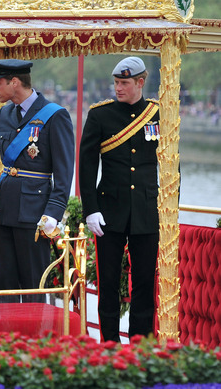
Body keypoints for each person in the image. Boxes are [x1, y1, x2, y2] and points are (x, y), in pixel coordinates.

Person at [79, 56, 159, 342]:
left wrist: (169, 206)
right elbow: (87, 165)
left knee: (144, 285)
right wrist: (91, 209)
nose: (118, 88)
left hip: (147, 211)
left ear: (140, 82)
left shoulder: (158, 114)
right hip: (109, 211)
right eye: (116, 82)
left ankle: (141, 345)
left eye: (124, 83)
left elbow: (171, 162)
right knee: (109, 283)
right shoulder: (100, 115)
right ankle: (109, 344)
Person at [0, 59, 74, 303]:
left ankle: (35, 339)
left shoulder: (55, 116)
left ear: (15, 82)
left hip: (35, 213)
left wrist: (53, 214)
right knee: (3, 284)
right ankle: (4, 338)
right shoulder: (5, 113)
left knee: (33, 282)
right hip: (4, 209)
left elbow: (64, 172)